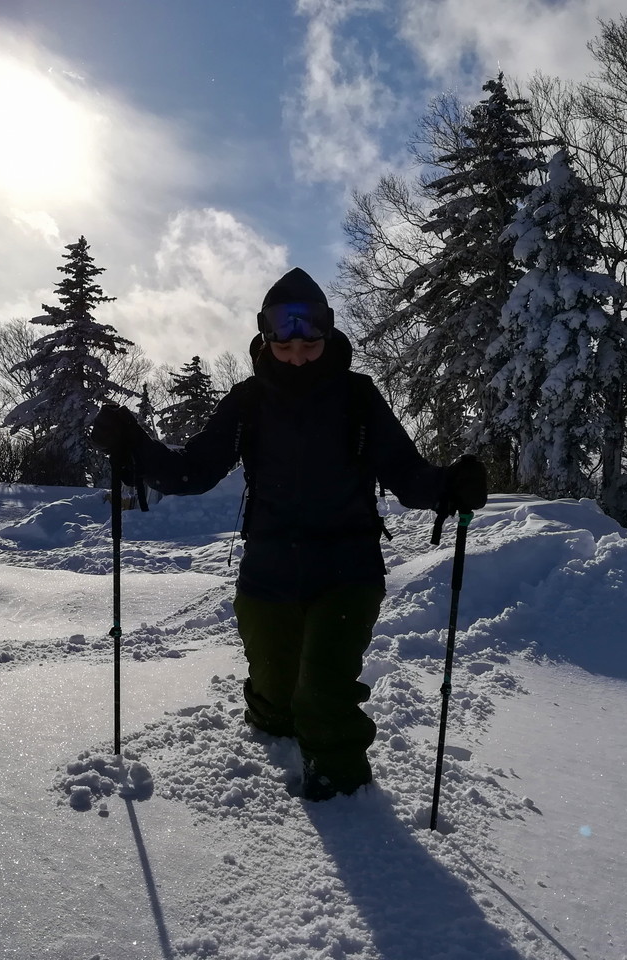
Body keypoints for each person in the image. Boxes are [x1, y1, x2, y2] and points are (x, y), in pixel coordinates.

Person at [91, 267, 487, 800]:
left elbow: (406, 473)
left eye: (310, 340)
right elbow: (194, 470)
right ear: (266, 336)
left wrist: (449, 485)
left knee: (321, 697)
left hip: (347, 571)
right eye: (286, 341)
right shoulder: (249, 400)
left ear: (326, 333)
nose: (298, 353)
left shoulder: (358, 397)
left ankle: (347, 803)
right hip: (269, 571)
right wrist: (134, 445)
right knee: (278, 703)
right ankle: (275, 718)